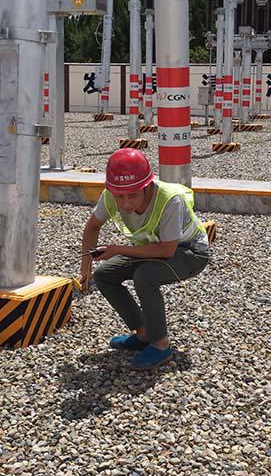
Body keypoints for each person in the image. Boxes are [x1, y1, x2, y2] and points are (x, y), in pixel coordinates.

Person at [79, 148, 210, 369]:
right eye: (120, 196)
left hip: (190, 252)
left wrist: (117, 249)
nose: (126, 203)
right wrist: (86, 268)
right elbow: (93, 226)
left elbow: (167, 250)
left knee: (145, 276)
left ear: (147, 186)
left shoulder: (170, 200)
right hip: (153, 248)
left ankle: (160, 345)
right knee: (104, 275)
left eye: (132, 195)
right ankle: (144, 334)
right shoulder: (111, 195)